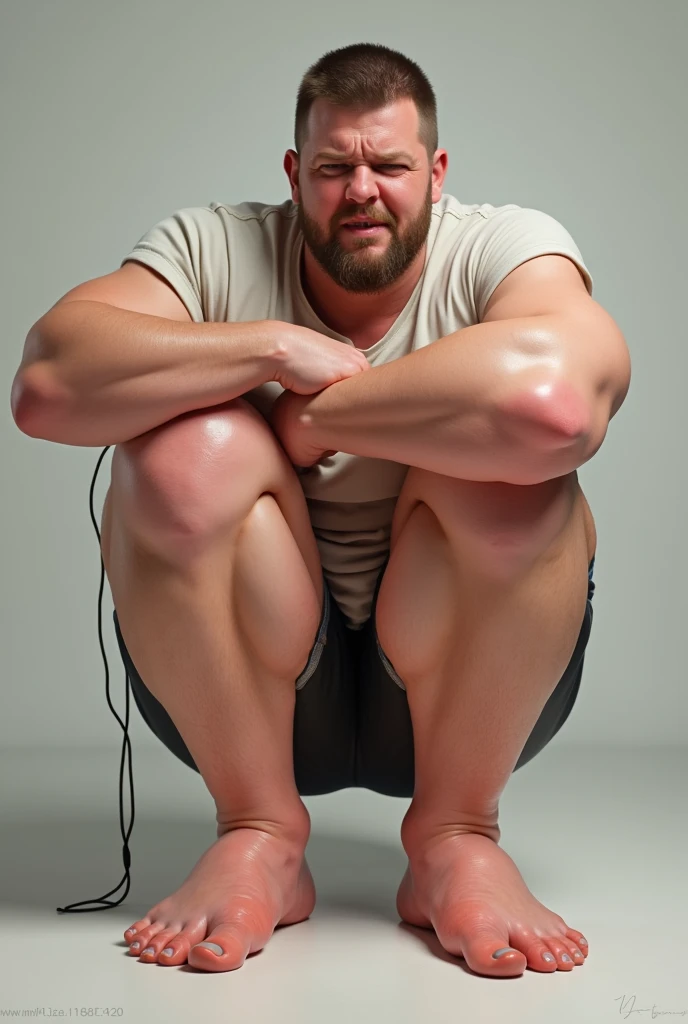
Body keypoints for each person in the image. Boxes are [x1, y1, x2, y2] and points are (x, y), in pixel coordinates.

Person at [11, 42, 630, 977]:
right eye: (335, 167)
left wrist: (316, 420)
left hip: (470, 689)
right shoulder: (213, 246)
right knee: (183, 451)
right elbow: (49, 384)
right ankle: (257, 832)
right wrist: (270, 349)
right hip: (248, 692)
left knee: (511, 473)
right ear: (295, 174)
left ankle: (458, 838)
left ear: (438, 173)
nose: (362, 191)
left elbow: (559, 406)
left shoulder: (502, 247)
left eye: (390, 166)